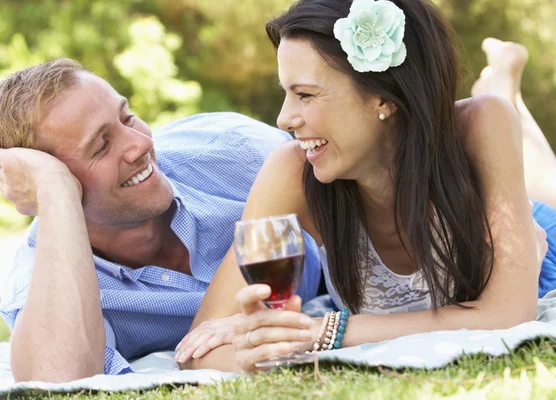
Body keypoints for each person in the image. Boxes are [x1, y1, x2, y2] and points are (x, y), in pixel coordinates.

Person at [175, 0, 556, 373]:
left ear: (383, 97)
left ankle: (505, 87)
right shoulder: (291, 171)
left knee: (552, 190)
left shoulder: (482, 124)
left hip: (555, 252)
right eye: (286, 93)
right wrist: (259, 353)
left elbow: (510, 313)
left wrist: (324, 331)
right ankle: (504, 81)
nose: (284, 119)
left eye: (304, 94)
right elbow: (201, 344)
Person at [0, 60, 322, 382]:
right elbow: (56, 381)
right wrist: (54, 191)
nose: (140, 144)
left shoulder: (232, 147)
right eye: (101, 146)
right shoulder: (46, 281)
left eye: (127, 118)